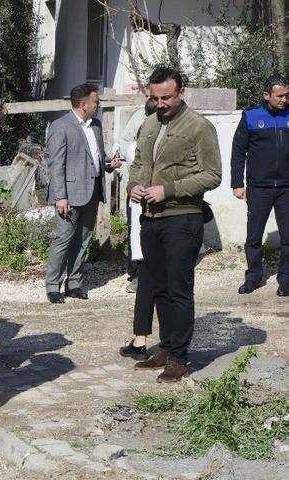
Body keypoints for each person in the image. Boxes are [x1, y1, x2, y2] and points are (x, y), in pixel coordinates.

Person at [128, 67, 222, 382]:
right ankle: (166, 348)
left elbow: (212, 175)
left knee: (180, 291)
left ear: (181, 92)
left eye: (166, 97)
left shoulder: (199, 127)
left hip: (183, 218)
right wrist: (135, 187)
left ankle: (180, 358)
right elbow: (139, 164)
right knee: (158, 288)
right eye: (155, 98)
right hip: (150, 219)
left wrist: (167, 190)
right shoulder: (148, 124)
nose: (160, 103)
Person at [44, 83, 123, 304]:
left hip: (92, 191)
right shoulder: (61, 126)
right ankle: (53, 286)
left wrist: (109, 163)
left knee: (83, 239)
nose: (99, 105)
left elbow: (96, 156)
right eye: (96, 101)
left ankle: (74, 284)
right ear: (83, 104)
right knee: (64, 239)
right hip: (69, 195)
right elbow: (56, 165)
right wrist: (60, 196)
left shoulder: (95, 125)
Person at [231, 74, 289, 296]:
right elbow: (238, 151)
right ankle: (254, 277)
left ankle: (285, 280)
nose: (284, 99)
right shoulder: (251, 116)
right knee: (254, 237)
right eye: (280, 96)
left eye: (287, 95)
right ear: (267, 95)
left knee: (288, 237)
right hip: (259, 188)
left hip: (286, 188)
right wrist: (237, 183)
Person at [119, 98, 159, 361]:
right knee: (147, 281)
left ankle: (171, 347)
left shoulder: (189, 130)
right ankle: (141, 340)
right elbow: (133, 169)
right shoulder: (141, 136)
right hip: (144, 215)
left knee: (169, 286)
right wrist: (132, 186)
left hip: (172, 217)